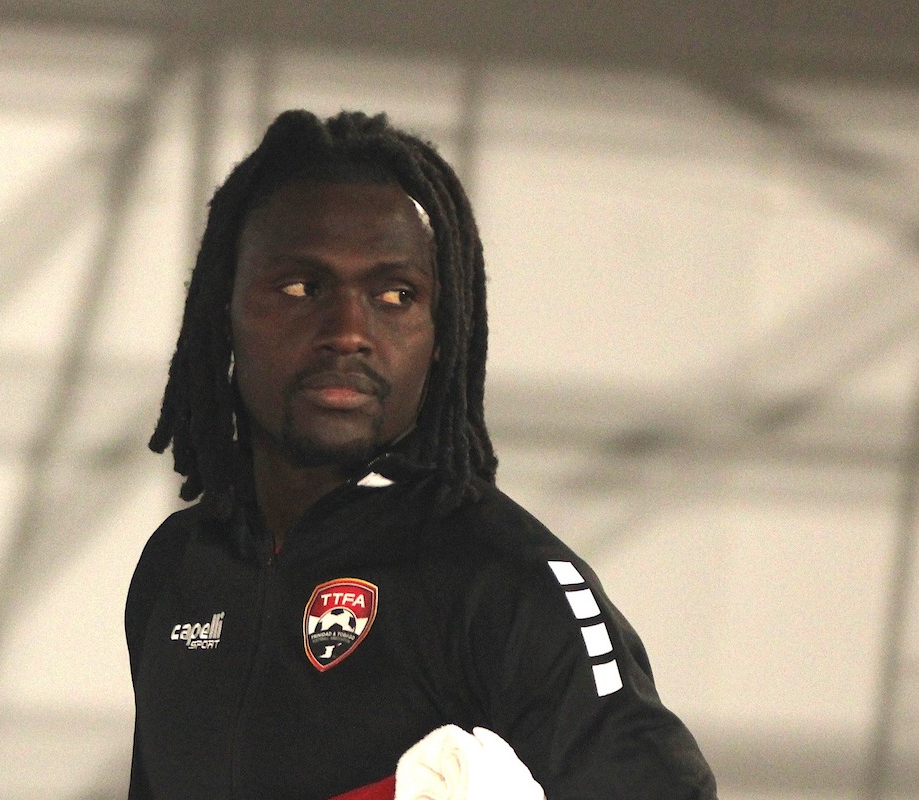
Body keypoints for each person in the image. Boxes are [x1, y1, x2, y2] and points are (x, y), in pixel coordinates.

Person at [125, 109, 717, 799]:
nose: (348, 331)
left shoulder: (507, 580)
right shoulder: (178, 567)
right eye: (300, 287)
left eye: (395, 294)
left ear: (442, 334)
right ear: (220, 310)